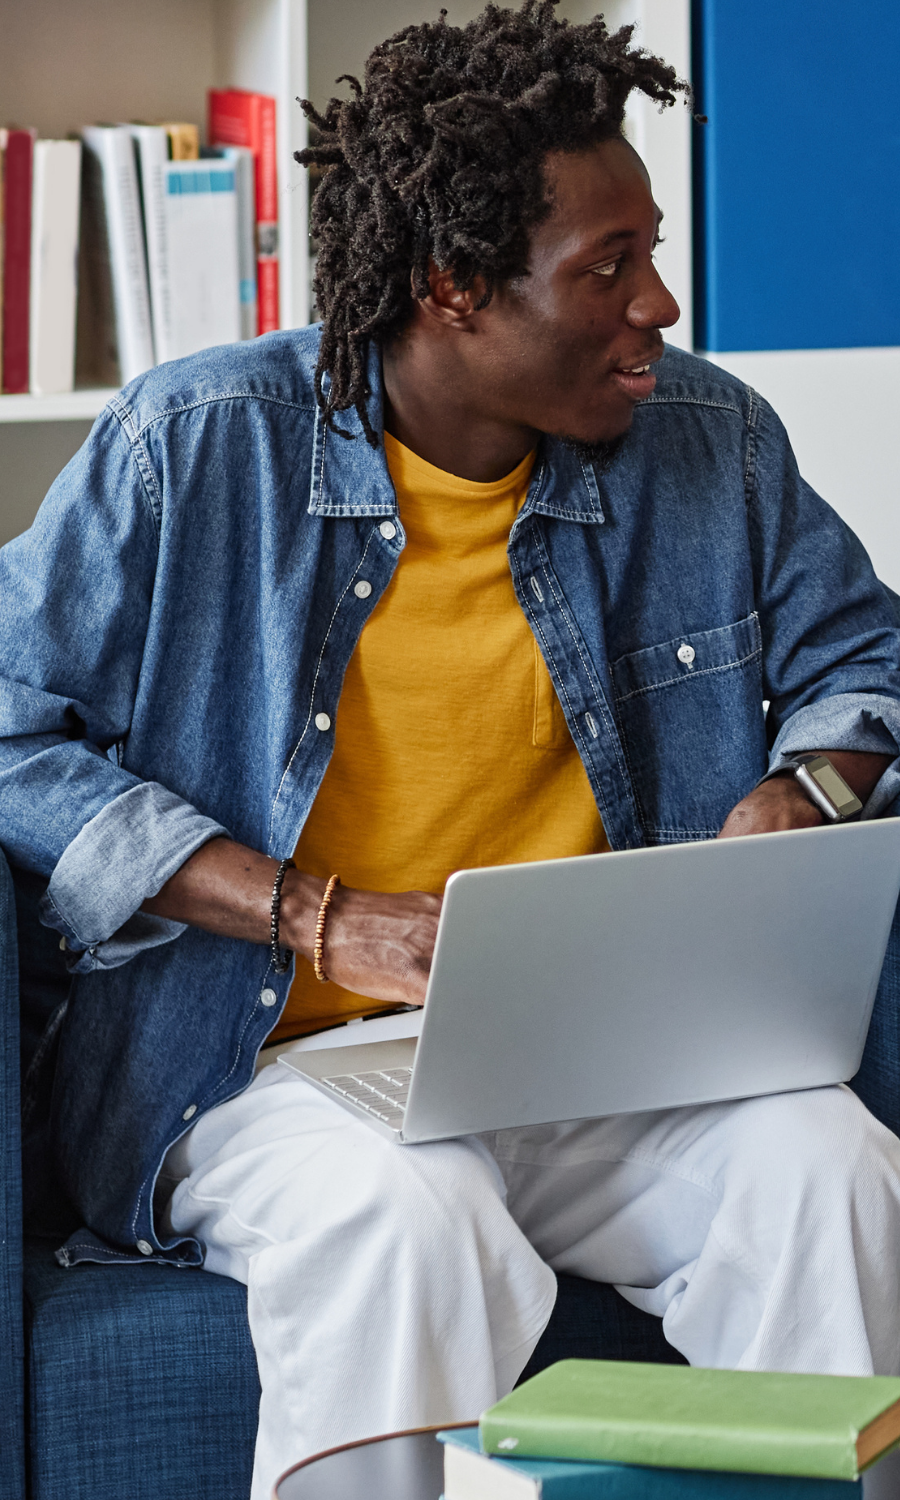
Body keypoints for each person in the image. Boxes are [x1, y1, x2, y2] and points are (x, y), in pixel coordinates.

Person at [3, 3, 900, 1496]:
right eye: (607, 267)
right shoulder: (193, 446)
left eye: (653, 249)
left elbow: (868, 656)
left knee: (832, 1172)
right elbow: (10, 726)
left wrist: (805, 790)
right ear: (454, 289)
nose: (661, 301)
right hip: (264, 1070)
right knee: (405, 1220)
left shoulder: (714, 442)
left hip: (610, 1053)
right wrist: (314, 914)